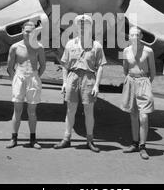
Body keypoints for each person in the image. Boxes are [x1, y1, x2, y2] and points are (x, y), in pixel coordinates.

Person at [54, 14, 107, 153]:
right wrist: (64, 82)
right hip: (72, 77)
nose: (83, 27)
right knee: (70, 110)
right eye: (80, 24)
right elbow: (65, 65)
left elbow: (101, 66)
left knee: (89, 111)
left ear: (90, 27)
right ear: (77, 27)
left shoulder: (96, 45)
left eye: (86, 24)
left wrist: (97, 85)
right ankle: (66, 138)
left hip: (89, 78)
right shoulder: (70, 44)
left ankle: (90, 140)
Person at [6, 21, 46, 149]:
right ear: (22, 31)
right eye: (27, 31)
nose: (30, 33)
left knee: (32, 111)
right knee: (17, 110)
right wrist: (15, 79)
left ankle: (33, 139)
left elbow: (43, 65)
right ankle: (14, 138)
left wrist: (36, 77)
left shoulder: (39, 47)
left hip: (33, 77)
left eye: (32, 31)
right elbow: (10, 67)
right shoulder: (15, 47)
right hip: (19, 77)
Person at [121, 26, 156, 160]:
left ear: (141, 37)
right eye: (132, 35)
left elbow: (152, 72)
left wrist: (145, 83)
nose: (134, 37)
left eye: (137, 35)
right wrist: (131, 80)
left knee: (144, 117)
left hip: (144, 82)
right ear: (128, 37)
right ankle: (134, 143)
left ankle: (143, 146)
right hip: (130, 81)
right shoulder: (125, 51)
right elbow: (125, 69)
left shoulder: (149, 51)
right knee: (133, 115)